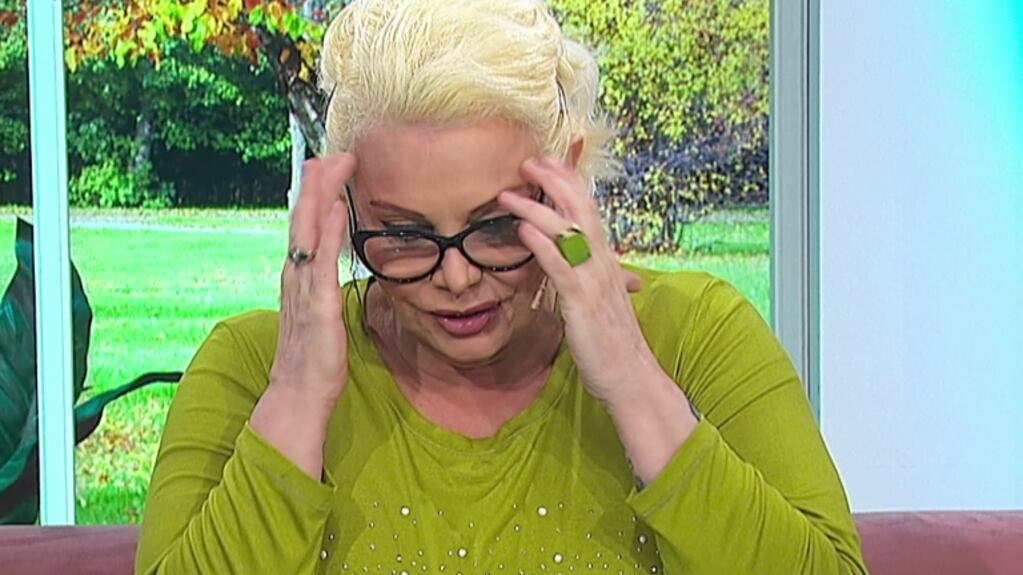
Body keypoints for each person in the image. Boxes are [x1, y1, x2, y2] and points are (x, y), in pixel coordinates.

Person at [135, 0, 867, 573]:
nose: (456, 278)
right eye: (404, 235)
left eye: (496, 226)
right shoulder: (250, 367)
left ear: (565, 178)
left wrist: (630, 377)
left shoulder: (696, 334)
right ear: (344, 211)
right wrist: (296, 394)